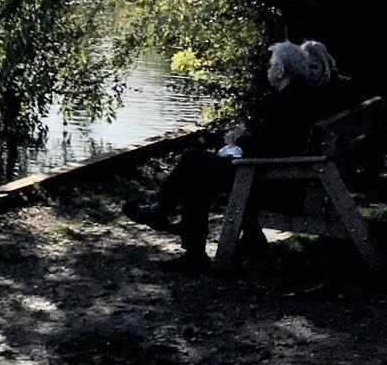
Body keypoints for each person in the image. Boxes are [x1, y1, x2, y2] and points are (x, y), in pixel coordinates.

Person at [152, 40, 362, 260]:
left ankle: (171, 223)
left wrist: (240, 142)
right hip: (297, 177)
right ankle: (184, 232)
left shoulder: (288, 101)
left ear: (281, 71)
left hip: (277, 183)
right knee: (199, 168)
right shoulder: (300, 95)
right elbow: (278, 142)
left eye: (271, 66)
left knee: (193, 161)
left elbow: (267, 149)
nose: (268, 70)